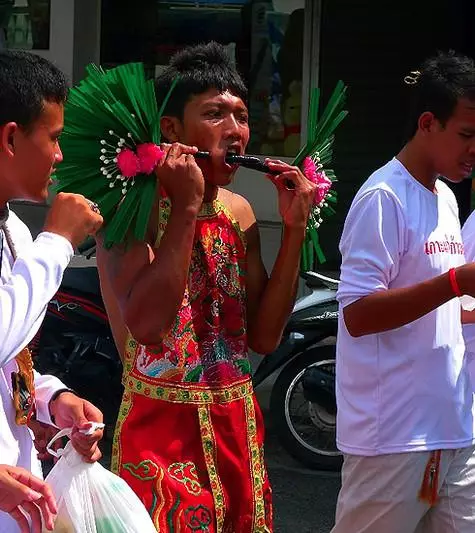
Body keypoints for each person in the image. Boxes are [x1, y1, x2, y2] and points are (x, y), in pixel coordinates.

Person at [96, 42, 315, 532]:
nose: (234, 130)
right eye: (214, 114)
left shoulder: (239, 213)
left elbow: (262, 339)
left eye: (241, 115)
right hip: (160, 434)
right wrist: (188, 208)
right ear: (172, 130)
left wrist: (294, 230)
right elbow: (148, 326)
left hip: (236, 427)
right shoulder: (132, 211)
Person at [331, 50, 475, 533]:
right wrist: (457, 282)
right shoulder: (382, 196)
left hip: (451, 428)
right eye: (467, 135)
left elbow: (444, 310)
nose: (474, 150)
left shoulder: (447, 197)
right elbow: (359, 312)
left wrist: (463, 300)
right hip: (393, 437)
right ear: (428, 122)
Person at [0, 50, 104, 533]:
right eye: (55, 138)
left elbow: (11, 355)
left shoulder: (16, 231)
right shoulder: (38, 241)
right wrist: (59, 240)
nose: (59, 155)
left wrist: (49, 398)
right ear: (10, 137)